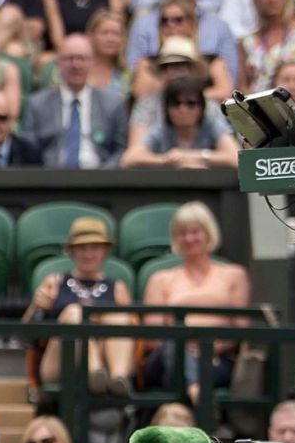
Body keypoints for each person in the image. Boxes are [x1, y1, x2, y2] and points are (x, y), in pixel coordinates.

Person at [142, 200, 251, 402]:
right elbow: (153, 339)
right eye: (182, 233)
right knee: (174, 342)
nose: (189, 238)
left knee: (191, 365)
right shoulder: (160, 279)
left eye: (195, 231)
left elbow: (241, 329)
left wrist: (210, 347)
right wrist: (187, 345)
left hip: (216, 358)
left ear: (208, 233)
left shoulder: (234, 275)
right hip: (167, 358)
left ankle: (193, 392)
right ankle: (197, 394)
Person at [23, 216, 133, 390]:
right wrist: (36, 307)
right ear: (72, 251)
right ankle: (94, 371)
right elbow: (25, 335)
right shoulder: (54, 282)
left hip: (106, 357)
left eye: (95, 248)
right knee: (75, 312)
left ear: (105, 251)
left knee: (119, 316)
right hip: (60, 360)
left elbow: (133, 331)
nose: (88, 254)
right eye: (82, 248)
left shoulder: (118, 288)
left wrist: (102, 319)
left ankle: (118, 379)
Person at [23, 33, 128, 168]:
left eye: (82, 59)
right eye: (69, 58)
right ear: (59, 63)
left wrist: (103, 179)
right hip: (50, 182)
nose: (76, 65)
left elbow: (121, 151)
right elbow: (28, 150)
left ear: (92, 62)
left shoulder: (112, 104)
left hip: (100, 182)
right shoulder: (37, 104)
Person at [127, 0, 237, 82]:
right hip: (155, 98)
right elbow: (133, 74)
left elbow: (230, 80)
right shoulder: (143, 26)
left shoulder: (219, 28)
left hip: (207, 99)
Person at [121, 74, 240, 168]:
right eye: (175, 103)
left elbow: (237, 157)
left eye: (191, 103)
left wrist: (194, 156)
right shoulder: (163, 131)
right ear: (166, 108)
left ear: (202, 107)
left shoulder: (211, 125)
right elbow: (129, 159)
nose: (183, 109)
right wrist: (166, 161)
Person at [131, 2, 233, 103]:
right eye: (164, 21)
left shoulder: (212, 61)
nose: (170, 25)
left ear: (193, 25)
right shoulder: (148, 62)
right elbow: (141, 93)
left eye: (178, 20)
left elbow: (225, 93)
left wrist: (187, 94)